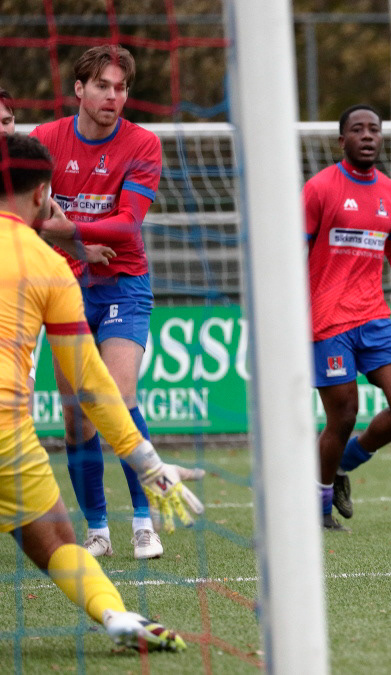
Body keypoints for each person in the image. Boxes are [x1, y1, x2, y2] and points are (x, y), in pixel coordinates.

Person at [0, 133, 201, 651]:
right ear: (44, 192)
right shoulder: (50, 266)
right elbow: (92, 385)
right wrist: (152, 468)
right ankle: (116, 616)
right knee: (58, 544)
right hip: (7, 438)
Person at [32, 46, 170, 560]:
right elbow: (26, 215)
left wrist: (68, 228)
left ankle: (142, 520)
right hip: (64, 289)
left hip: (122, 284)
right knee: (76, 417)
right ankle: (96, 528)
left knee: (116, 393)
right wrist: (72, 244)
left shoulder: (142, 144)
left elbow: (128, 224)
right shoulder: (46, 141)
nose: (115, 96)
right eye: (104, 87)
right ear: (80, 90)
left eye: (122, 88)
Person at [306, 104, 391, 531]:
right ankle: (320, 506)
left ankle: (341, 463)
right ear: (342, 140)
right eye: (357, 130)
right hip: (327, 321)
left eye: (374, 129)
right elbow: (294, 249)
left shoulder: (390, 192)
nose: (367, 135)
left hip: (374, 316)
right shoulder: (320, 188)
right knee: (343, 415)